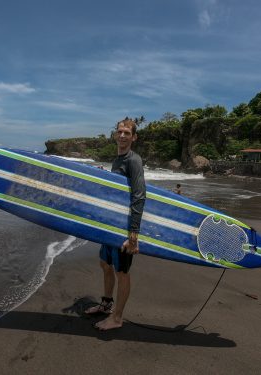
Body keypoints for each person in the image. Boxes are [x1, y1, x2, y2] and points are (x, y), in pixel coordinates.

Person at [85, 117, 146, 331]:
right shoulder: (118, 160)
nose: (122, 135)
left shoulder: (133, 160)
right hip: (110, 226)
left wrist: (133, 235)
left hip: (124, 228)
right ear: (115, 134)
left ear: (134, 137)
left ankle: (117, 318)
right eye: (119, 132)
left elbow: (139, 196)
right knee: (105, 264)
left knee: (122, 272)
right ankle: (106, 305)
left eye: (127, 133)